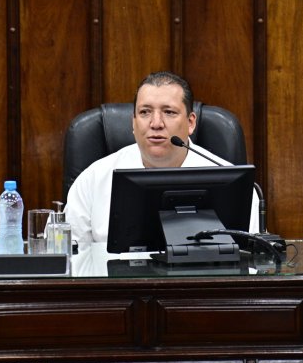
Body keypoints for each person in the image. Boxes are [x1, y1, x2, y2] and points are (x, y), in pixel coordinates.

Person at [66, 71, 259, 245]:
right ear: (133, 122)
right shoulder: (93, 179)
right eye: (145, 112)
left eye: (169, 112)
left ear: (191, 122)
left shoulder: (233, 183)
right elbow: (71, 257)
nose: (156, 123)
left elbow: (250, 261)